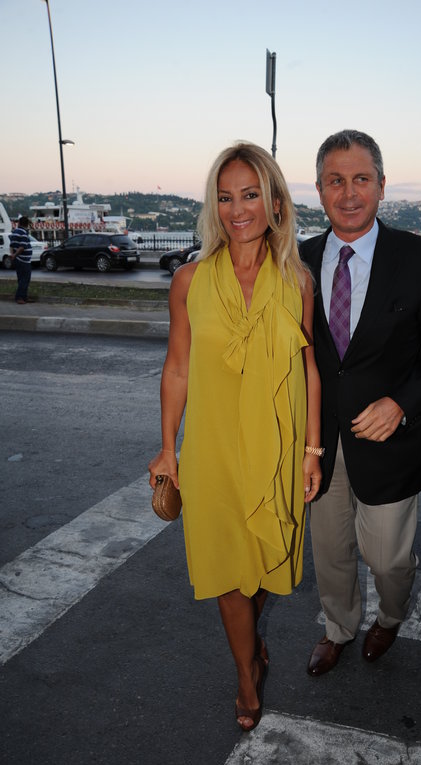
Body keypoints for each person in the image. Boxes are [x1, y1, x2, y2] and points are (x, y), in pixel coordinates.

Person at [148, 142, 322, 731]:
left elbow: (309, 369)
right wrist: (168, 447)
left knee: (266, 562)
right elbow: (177, 368)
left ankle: (250, 644)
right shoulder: (189, 280)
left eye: (250, 195)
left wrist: (312, 451)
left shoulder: (297, 280)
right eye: (225, 198)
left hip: (278, 447)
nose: (238, 209)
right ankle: (247, 674)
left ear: (275, 202)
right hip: (213, 450)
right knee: (227, 571)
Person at [299, 130, 421, 676]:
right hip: (319, 443)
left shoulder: (418, 258)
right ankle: (338, 627)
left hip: (390, 442)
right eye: (335, 180)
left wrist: (401, 403)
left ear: (382, 186)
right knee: (330, 552)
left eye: (361, 179)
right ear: (319, 190)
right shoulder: (298, 261)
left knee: (389, 559)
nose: (349, 193)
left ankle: (390, 617)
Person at [9, 216, 33, 304]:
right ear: (26, 224)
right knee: (25, 279)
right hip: (23, 260)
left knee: (21, 279)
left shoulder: (14, 232)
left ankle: (24, 297)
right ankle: (20, 297)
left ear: (19, 223)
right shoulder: (23, 233)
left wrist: (12, 255)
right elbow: (22, 247)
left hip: (18, 259)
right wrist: (15, 255)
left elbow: (11, 245)